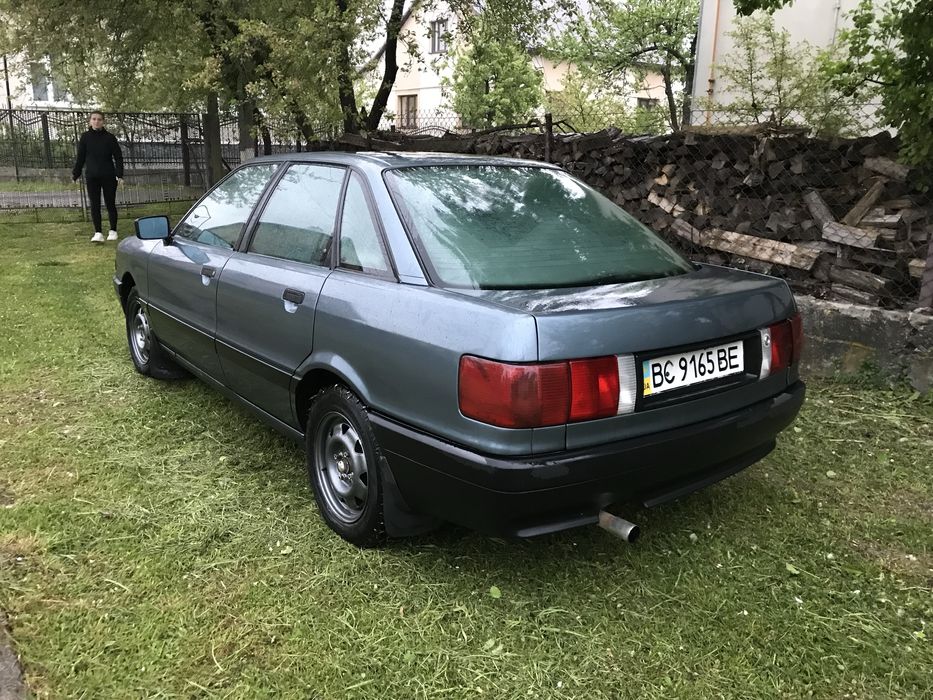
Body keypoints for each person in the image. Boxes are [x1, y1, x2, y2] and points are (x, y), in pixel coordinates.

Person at [72, 111, 124, 243]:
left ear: (103, 121)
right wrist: (76, 174)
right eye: (94, 119)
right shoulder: (85, 137)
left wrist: (119, 174)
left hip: (108, 176)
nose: (96, 121)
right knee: (94, 205)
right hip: (92, 176)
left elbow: (118, 157)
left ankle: (113, 230)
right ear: (90, 121)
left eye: (99, 119)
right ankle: (98, 232)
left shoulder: (110, 138)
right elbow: (81, 157)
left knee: (110, 203)